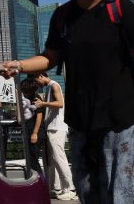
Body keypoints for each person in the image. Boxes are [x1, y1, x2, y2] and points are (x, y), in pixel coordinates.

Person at [1, 0, 134, 204]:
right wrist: (19, 65)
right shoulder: (63, 16)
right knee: (88, 192)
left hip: (122, 114)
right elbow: (49, 57)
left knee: (122, 193)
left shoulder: (120, 8)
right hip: (81, 118)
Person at [33, 73, 77, 201]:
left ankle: (71, 189)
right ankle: (58, 188)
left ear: (41, 76)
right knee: (53, 159)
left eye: (36, 81)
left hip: (57, 127)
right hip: (52, 127)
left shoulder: (54, 86)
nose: (37, 84)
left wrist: (43, 104)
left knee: (59, 158)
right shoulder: (49, 87)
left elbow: (59, 104)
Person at [20, 77, 45, 177]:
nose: (24, 92)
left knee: (33, 160)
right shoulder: (28, 98)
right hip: (29, 131)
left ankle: (39, 181)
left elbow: (39, 116)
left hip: (35, 133)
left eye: (25, 91)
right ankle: (35, 180)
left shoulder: (36, 99)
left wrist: (35, 133)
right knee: (30, 159)